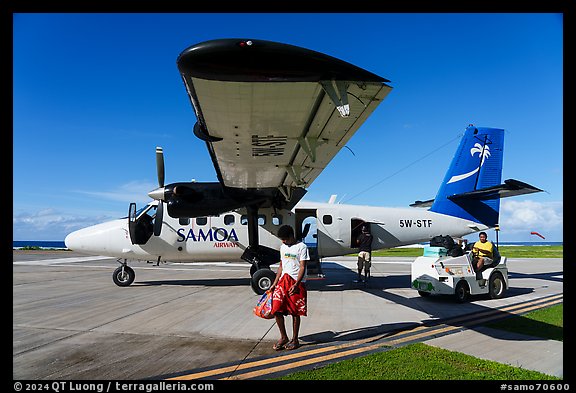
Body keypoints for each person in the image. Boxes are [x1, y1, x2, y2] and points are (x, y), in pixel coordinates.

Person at [269, 225, 309, 351]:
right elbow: (281, 265)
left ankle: (295, 339)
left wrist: (297, 284)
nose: (283, 241)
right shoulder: (283, 247)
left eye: (285, 239)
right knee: (276, 309)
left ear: (291, 236)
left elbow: (302, 267)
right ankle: (284, 337)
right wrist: (275, 282)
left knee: (295, 311)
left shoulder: (302, 247)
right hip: (283, 281)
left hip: (296, 282)